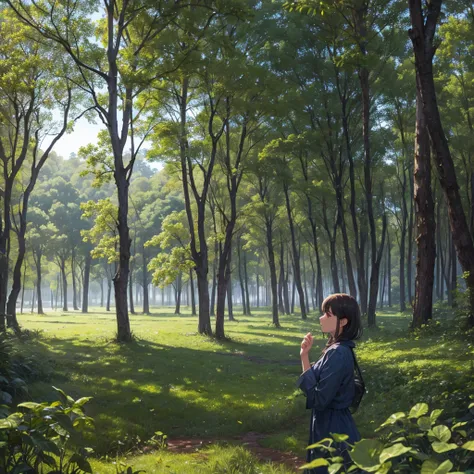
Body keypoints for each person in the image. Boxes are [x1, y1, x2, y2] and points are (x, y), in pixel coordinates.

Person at [296, 293, 362, 474]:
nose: (321, 317)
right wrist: (304, 355)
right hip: (327, 422)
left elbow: (320, 398)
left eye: (328, 314)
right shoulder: (336, 349)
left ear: (343, 321)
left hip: (333, 427)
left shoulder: (338, 352)